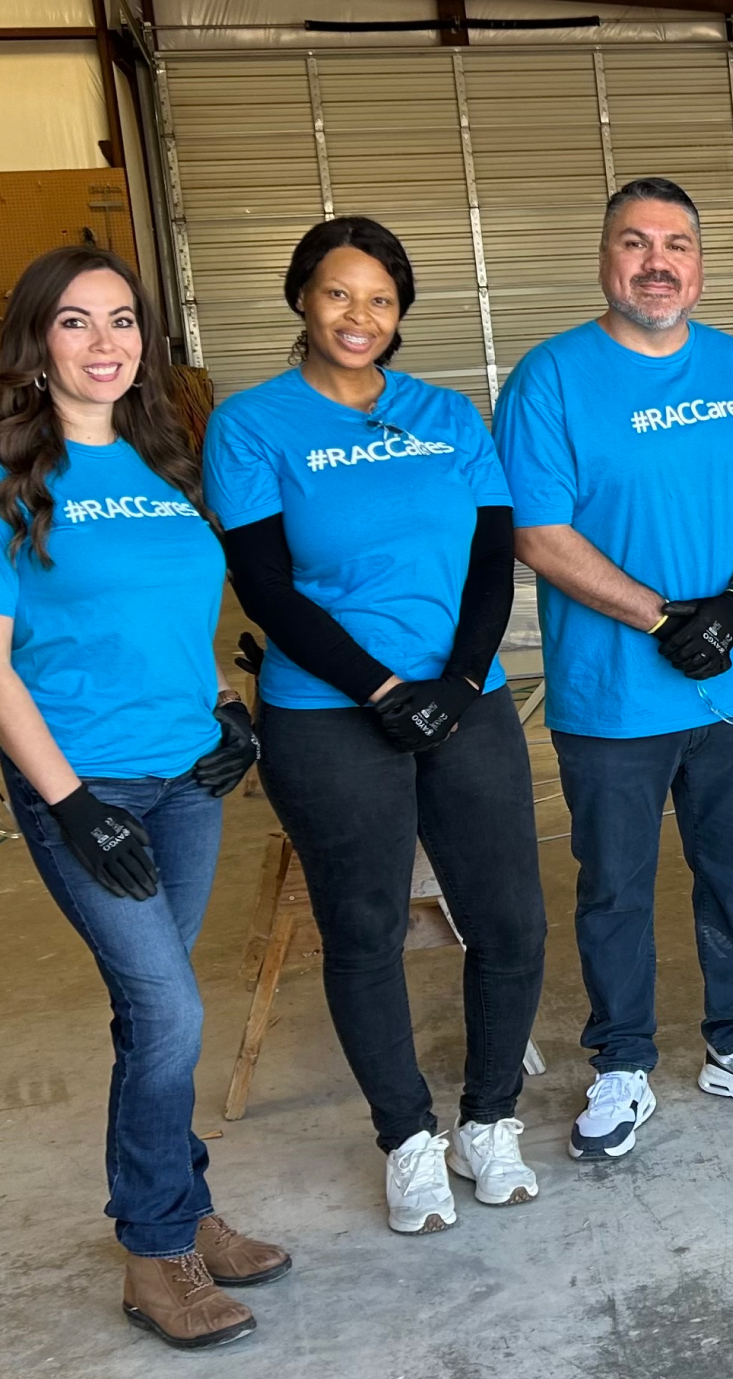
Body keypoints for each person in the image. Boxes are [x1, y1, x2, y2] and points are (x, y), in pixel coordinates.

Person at [0, 246, 284, 1350]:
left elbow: (174, 617)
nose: (104, 343)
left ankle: (182, 1208)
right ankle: (155, 1247)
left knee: (155, 1014)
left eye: (122, 320)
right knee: (171, 1011)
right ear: (38, 345)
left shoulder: (162, 459)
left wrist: (231, 708)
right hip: (84, 788)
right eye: (76, 323)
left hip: (186, 780)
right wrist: (73, 801)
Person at [206, 217, 548, 1233]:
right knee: (363, 926)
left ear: (402, 313)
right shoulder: (253, 422)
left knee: (513, 920)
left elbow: (495, 558)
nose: (359, 316)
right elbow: (265, 582)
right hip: (328, 712)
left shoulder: (448, 414)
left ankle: (490, 1118)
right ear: (302, 300)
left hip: (465, 698)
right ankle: (406, 1137)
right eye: (338, 294)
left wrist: (462, 676)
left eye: (380, 298)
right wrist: (382, 690)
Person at [500, 177, 733, 1155]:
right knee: (616, 889)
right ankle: (624, 1062)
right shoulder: (550, 377)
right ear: (605, 259)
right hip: (612, 693)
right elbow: (537, 532)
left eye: (675, 243)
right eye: (634, 243)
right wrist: (658, 615)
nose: (656, 261)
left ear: (700, 262)